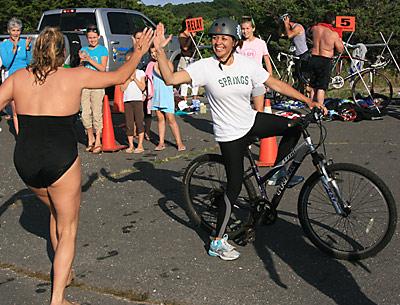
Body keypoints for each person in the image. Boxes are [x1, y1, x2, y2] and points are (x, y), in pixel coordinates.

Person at [0, 26, 153, 305]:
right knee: (68, 227)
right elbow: (119, 77)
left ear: (35, 50)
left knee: (56, 215)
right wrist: (139, 51)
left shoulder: (17, 78)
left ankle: (64, 271)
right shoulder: (76, 75)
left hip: (26, 160)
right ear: (64, 52)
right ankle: (58, 299)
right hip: (60, 158)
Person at [152, 19, 326, 260]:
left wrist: (308, 101)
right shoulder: (205, 67)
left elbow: (273, 82)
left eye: (223, 38)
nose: (218, 42)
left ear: (234, 42)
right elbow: (170, 78)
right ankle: (217, 241)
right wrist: (160, 52)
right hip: (230, 134)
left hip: (251, 120)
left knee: (295, 126)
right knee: (234, 186)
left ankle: (277, 172)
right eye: (214, 38)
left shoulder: (246, 64)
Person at [147, 46, 186, 152]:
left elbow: (168, 77)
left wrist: (157, 70)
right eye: (151, 53)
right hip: (157, 94)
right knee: (160, 118)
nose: (154, 54)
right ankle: (161, 142)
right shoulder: (151, 64)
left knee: (171, 119)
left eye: (155, 51)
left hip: (166, 95)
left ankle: (179, 142)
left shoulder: (167, 62)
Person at [79, 25, 108, 154]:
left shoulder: (103, 50)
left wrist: (90, 59)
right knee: (85, 113)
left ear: (99, 37)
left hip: (97, 84)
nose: (92, 40)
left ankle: (98, 140)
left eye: (94, 37)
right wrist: (81, 61)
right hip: (85, 85)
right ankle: (90, 137)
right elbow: (80, 68)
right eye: (90, 38)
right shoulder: (83, 49)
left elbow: (102, 68)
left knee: (97, 113)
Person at [0, 17, 32, 133]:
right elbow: (7, 63)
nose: (16, 33)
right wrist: (13, 50)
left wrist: (28, 49)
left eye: (18, 30)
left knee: (27, 108)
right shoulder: (3, 45)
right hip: (12, 79)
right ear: (9, 31)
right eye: (13, 30)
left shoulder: (25, 42)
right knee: (15, 109)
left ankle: (29, 133)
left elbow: (30, 62)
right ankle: (20, 136)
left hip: (25, 77)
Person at [308, 12, 344, 105]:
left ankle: (312, 106)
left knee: (313, 86)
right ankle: (320, 108)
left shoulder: (315, 29)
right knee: (321, 87)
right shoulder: (333, 33)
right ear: (333, 21)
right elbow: (340, 49)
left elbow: (308, 32)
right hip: (325, 59)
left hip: (314, 57)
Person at [120, 48, 146, 154]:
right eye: (127, 61)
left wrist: (135, 79)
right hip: (127, 100)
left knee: (139, 122)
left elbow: (142, 87)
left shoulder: (140, 73)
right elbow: (122, 88)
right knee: (129, 123)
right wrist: (129, 80)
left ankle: (140, 145)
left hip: (138, 100)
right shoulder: (124, 74)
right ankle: (131, 145)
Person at [281, 13, 310, 90]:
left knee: (302, 76)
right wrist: (282, 26)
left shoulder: (298, 27)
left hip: (303, 54)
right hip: (296, 55)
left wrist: (286, 24)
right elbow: (281, 34)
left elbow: (290, 35)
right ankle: (299, 93)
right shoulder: (289, 28)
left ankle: (307, 94)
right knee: (296, 75)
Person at [177, 16, 200, 108]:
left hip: (193, 58)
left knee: (195, 79)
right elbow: (185, 47)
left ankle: (194, 100)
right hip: (185, 58)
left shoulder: (193, 34)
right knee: (184, 81)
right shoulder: (182, 34)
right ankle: (185, 101)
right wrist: (190, 37)